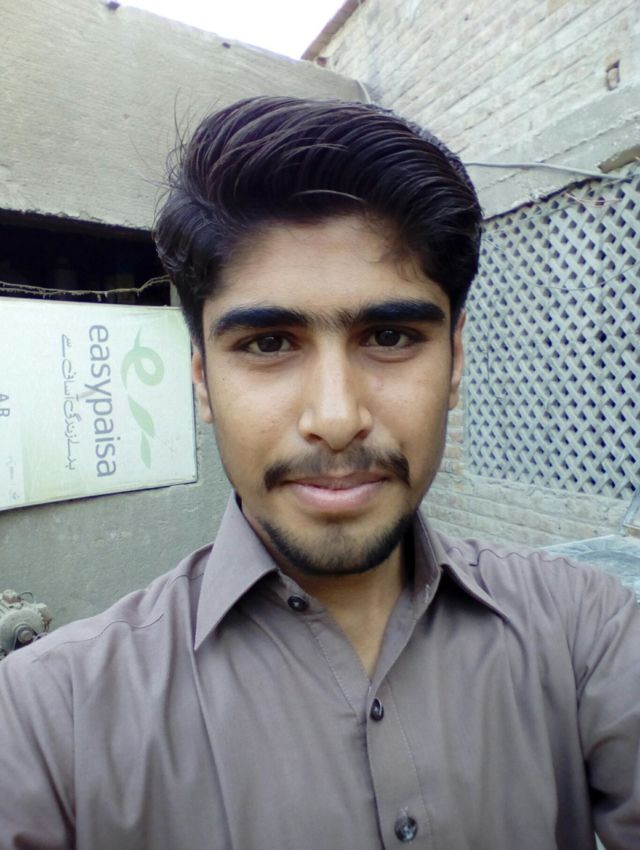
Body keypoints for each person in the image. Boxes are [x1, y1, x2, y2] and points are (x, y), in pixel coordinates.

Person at [0, 96, 638, 850]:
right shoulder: (47, 720)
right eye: (269, 344)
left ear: (456, 358)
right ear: (201, 379)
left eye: (390, 336)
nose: (336, 418)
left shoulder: (587, 633)